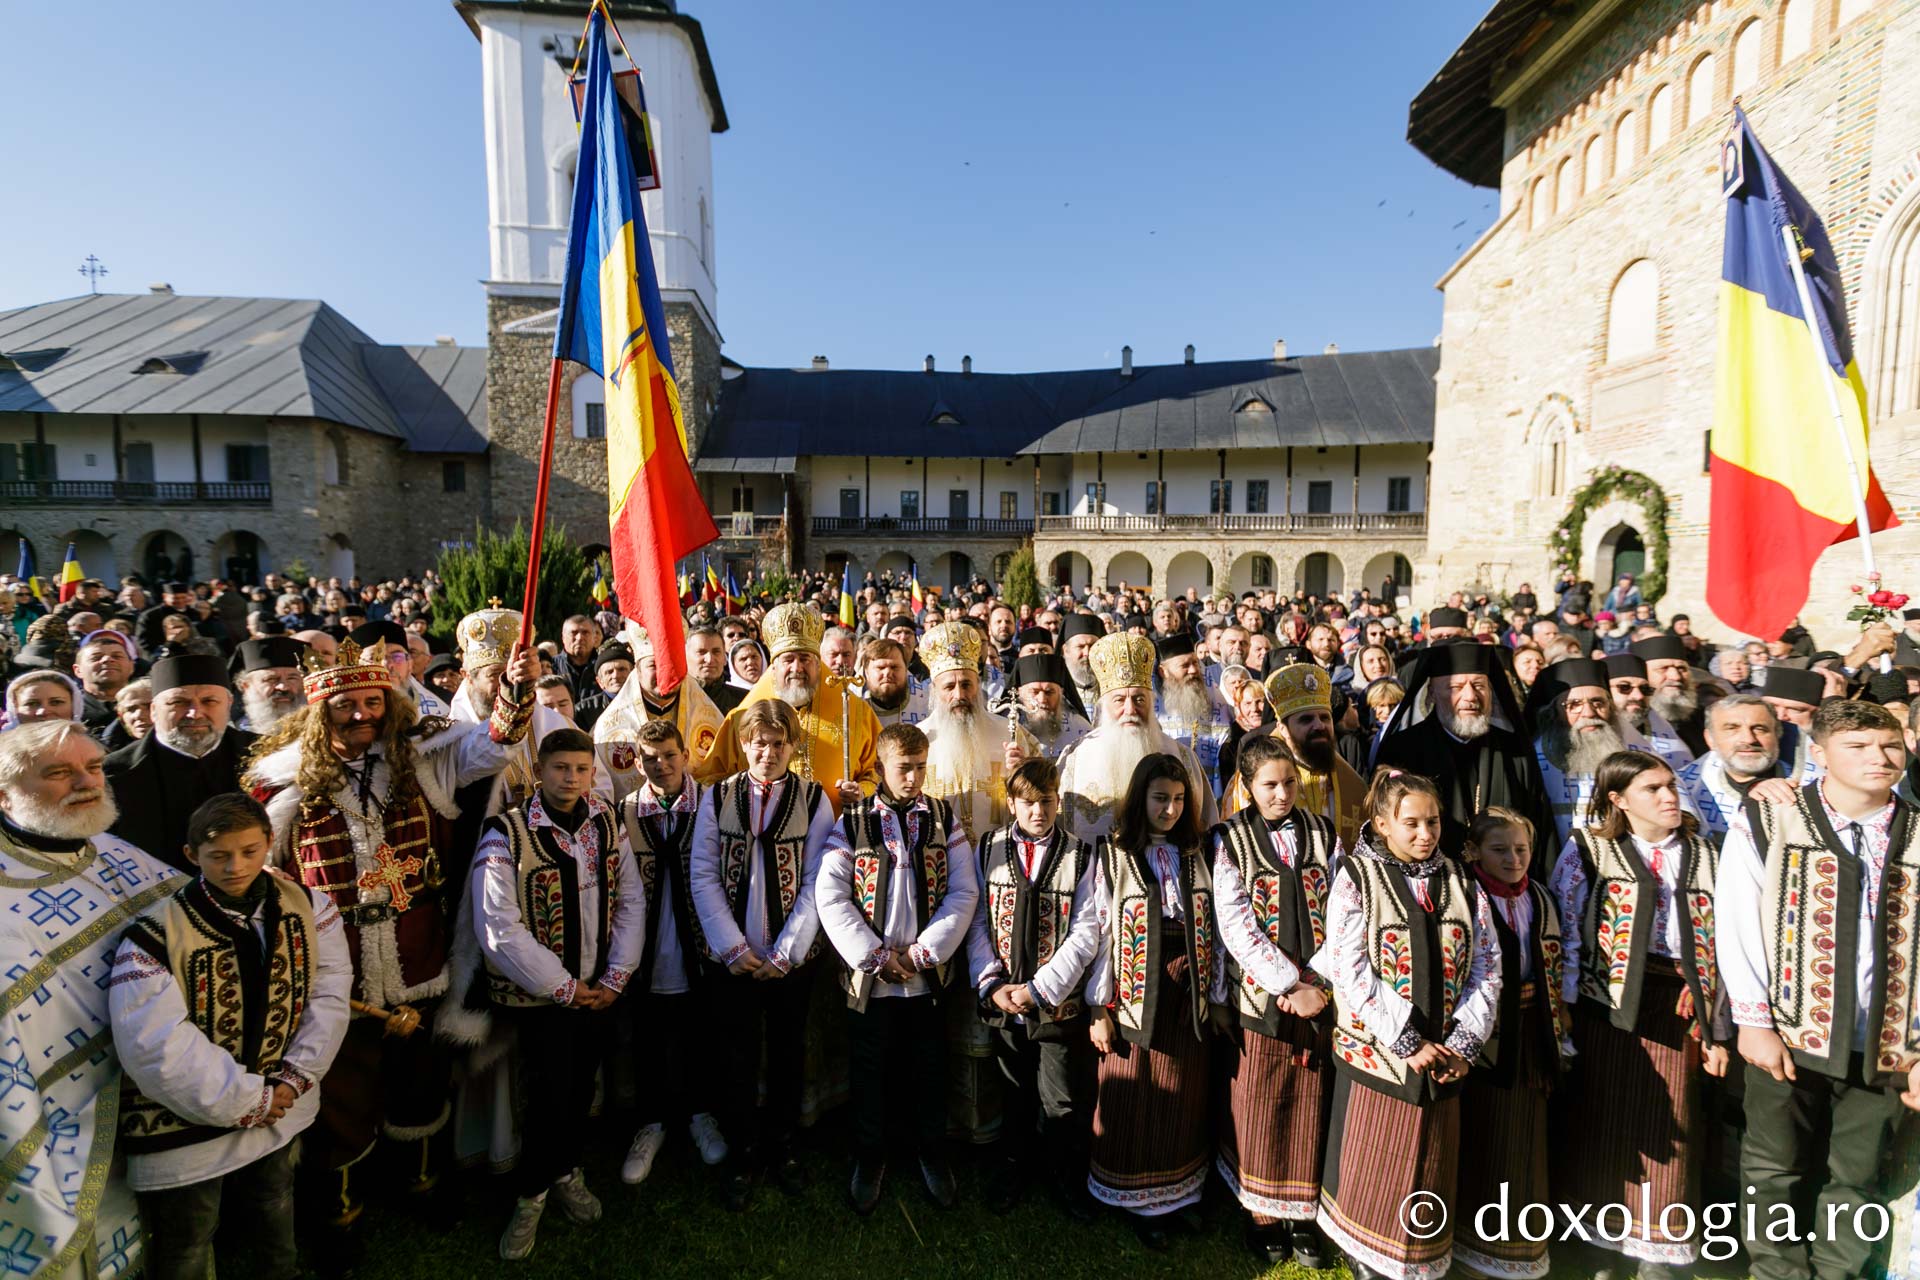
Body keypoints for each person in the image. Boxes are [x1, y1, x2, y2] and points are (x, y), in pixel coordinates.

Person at [241, 633, 536, 1239]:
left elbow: (494, 744)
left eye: (372, 704)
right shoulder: (284, 786)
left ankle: (422, 1184)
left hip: (418, 955)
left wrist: (515, 689)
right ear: (319, 713)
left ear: (390, 703)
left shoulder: (425, 758)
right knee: (343, 1089)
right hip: (333, 973)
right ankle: (342, 1207)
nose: (361, 716)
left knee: (420, 1083)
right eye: (346, 707)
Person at [108, 793, 352, 1280]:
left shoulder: (308, 905)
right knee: (188, 1235)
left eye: (249, 851)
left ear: (268, 843)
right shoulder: (154, 935)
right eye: (218, 855)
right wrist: (246, 1098)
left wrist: (298, 1075)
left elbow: (330, 990)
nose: (236, 866)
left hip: (283, 1094)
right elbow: (154, 1043)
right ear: (191, 855)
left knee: (275, 1201)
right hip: (182, 1115)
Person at [1720, 699, 1920, 1280]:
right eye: (1857, 747)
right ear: (1819, 754)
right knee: (1773, 1171)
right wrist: (1753, 1020)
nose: (1878, 758)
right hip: (1789, 1029)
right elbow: (1737, 920)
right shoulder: (1768, 819)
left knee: (1858, 1178)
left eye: (1889, 745)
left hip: (1887, 1041)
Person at [0, 720, 183, 1278]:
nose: (86, 782)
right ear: (5, 793)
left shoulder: (105, 847)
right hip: (64, 1099)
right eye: (59, 772)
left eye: (94, 767)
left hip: (156, 1072)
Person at [1311, 769, 1500, 1280]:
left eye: (1433, 822)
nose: (1425, 834)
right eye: (1411, 823)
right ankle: (1364, 1244)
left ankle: (1422, 1247)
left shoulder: (1461, 879)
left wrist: (1464, 1039)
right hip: (1381, 1048)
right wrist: (1406, 1038)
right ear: (1381, 824)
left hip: (1446, 1050)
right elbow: (1350, 969)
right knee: (1375, 1149)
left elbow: (1486, 963)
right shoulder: (1357, 878)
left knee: (1432, 1152)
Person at [1549, 749, 1728, 1278]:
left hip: (1679, 1001)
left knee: (1671, 1120)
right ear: (1617, 800)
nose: (1669, 796)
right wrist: (1567, 1007)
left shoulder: (1704, 853)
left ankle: (1658, 1248)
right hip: (1608, 1003)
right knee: (1605, 1120)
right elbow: (1566, 925)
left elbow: (1728, 934)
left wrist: (1712, 1007)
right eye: (1653, 789)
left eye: (1670, 785)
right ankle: (1601, 1244)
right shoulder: (1588, 851)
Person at [470, 727, 643, 1261]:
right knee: (546, 1097)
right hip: (543, 998)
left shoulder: (606, 820)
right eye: (561, 768)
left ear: (594, 771)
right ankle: (531, 1198)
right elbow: (499, 927)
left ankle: (566, 1173)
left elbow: (631, 895)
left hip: (599, 988)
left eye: (581, 769)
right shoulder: (506, 833)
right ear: (539, 771)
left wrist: (616, 975)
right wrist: (565, 988)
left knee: (578, 1091)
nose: (572, 779)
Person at [816, 723, 979, 1212]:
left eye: (920, 768)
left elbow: (963, 890)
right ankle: (869, 1156)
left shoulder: (944, 818)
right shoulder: (854, 820)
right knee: (870, 1069)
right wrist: (875, 955)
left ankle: (931, 1153)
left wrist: (924, 953)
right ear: (881, 767)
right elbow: (831, 894)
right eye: (903, 768)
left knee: (929, 1065)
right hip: (871, 977)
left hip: (926, 975)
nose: (912, 778)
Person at [1055, 753, 1216, 1248]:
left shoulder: (1195, 852)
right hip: (1132, 991)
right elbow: (1102, 934)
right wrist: (1100, 1008)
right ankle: (1139, 1200)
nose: (1169, 809)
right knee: (1134, 1091)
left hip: (1185, 991)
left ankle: (1178, 1195)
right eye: (1159, 798)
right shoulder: (1114, 854)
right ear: (1139, 799)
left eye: (1178, 799)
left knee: (1181, 1090)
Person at [689, 698, 835, 1211]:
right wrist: (730, 946)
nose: (768, 752)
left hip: (789, 956)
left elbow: (820, 878)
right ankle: (742, 1150)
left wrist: (788, 951)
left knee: (788, 1051)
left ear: (793, 747)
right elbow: (703, 871)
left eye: (779, 743)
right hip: (732, 953)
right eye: (758, 742)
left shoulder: (814, 799)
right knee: (736, 1053)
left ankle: (783, 1144)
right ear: (744, 744)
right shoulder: (718, 795)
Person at [1211, 735, 1336, 1270]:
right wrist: (1288, 983)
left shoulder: (1324, 832)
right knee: (1263, 1098)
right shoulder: (1229, 840)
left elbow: (1346, 911)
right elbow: (1235, 924)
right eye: (1269, 785)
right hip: (1262, 994)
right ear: (1246, 786)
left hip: (1319, 989)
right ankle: (1262, 1211)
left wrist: (1320, 980)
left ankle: (1304, 1210)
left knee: (1311, 1096)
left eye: (1289, 782)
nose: (1282, 793)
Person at [964, 757, 1098, 1219]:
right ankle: (1014, 1165)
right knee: (1013, 1087)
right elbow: (977, 918)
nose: (1037, 811)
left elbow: (1086, 931)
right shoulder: (989, 848)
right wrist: (992, 983)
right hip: (1004, 1000)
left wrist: (1040, 989)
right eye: (1028, 802)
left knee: (1059, 1093)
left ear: (1058, 801)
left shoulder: (1082, 855)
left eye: (1046, 801)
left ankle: (1063, 1171)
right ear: (1012, 803)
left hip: (1054, 1004)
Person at [1451, 807, 1572, 1280]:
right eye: (1500, 850)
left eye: (1521, 849)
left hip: (1530, 1033)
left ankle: (1516, 1247)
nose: (1514, 859)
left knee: (1522, 1136)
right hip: (1484, 1037)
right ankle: (1467, 1242)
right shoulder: (1465, 895)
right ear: (1474, 852)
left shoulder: (1538, 897)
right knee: (1482, 1131)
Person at [612, 719, 727, 1186]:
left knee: (702, 1025)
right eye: (650, 758)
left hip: (698, 934)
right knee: (649, 1029)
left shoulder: (712, 805)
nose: (661, 765)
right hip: (648, 936)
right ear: (636, 762)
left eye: (669, 755)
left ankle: (701, 1114)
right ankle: (652, 1121)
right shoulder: (624, 812)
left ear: (686, 756)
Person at [1373, 641, 1555, 858]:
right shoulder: (1401, 750)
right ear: (1431, 693)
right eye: (1455, 687)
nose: (1470, 696)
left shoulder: (1514, 750)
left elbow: (1539, 826)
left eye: (1479, 685)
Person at [697, 604, 879, 817]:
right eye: (788, 659)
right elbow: (710, 780)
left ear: (818, 664)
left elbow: (879, 772)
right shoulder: (742, 716)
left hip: (836, 836)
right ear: (774, 668)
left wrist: (861, 791)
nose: (797, 668)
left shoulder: (857, 713)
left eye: (805, 659)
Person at [1056, 633, 1218, 845]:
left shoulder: (1181, 756)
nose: (1130, 709)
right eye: (1119, 699)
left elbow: (1205, 831)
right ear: (1104, 705)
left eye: (1139, 699)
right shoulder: (1075, 759)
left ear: (1151, 703)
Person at [106, 654, 261, 874]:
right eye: (179, 702)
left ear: (228, 705)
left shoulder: (266, 755)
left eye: (209, 701)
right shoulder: (114, 773)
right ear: (153, 710)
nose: (195, 713)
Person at [915, 621, 1036, 845]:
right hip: (937, 857)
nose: (959, 694)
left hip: (999, 854)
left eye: (966, 684)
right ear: (934, 691)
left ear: (978, 684)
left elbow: (1040, 791)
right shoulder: (917, 739)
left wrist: (1023, 770)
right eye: (949, 687)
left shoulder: (1010, 732)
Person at [1224, 665, 1367, 849]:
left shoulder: (1351, 784)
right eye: (1306, 719)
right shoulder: (1250, 780)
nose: (1319, 726)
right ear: (1282, 728)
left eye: (1324, 718)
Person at [593, 627, 724, 804]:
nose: (666, 673)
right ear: (637, 671)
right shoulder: (609, 727)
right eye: (654, 665)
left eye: (674, 663)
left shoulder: (712, 720)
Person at [1527, 657, 1631, 849]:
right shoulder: (1531, 758)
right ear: (1553, 712)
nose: (1589, 713)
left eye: (1598, 702)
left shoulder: (1631, 750)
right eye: (1573, 704)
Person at [1674, 694, 1798, 843]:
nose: (1748, 739)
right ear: (1710, 739)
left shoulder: (1810, 782)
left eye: (1759, 729)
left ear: (1777, 735)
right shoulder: (1683, 789)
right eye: (1732, 728)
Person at [1154, 634, 1233, 798]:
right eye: (1185, 665)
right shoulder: (1153, 709)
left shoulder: (1214, 700)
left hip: (1210, 791)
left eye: (1195, 663)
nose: (1194, 670)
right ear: (1163, 672)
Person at [1633, 634, 1706, 761]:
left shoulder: (1703, 718)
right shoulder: (1630, 724)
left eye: (1681, 668)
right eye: (1663, 669)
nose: (1676, 676)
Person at [1013, 652, 1091, 760]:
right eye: (1035, 692)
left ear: (1061, 693)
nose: (1042, 699)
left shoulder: (1080, 728)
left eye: (1049, 692)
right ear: (1020, 693)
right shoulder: (1007, 727)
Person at [231, 636, 308, 734]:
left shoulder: (323, 729)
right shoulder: (235, 734)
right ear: (246, 687)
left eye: (292, 678)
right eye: (271, 679)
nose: (283, 687)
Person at [857, 636, 927, 729]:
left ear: (906, 670)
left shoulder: (926, 706)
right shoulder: (853, 709)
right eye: (880, 668)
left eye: (894, 667)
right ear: (867, 673)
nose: (887, 673)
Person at [106, 676, 154, 751]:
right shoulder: (105, 755)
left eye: (149, 707)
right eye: (131, 709)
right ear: (121, 717)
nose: (138, 715)